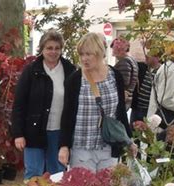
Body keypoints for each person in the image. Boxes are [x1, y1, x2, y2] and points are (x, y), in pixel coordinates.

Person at [58, 32, 137, 172]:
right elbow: (67, 115)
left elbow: (120, 112)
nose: (84, 59)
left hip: (108, 146)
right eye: (81, 54)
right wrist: (64, 146)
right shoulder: (74, 80)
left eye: (89, 54)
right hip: (82, 147)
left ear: (100, 53)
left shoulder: (115, 76)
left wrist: (129, 140)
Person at [11, 29, 76, 180]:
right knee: (34, 173)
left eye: (57, 48)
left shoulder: (70, 71)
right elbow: (19, 104)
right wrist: (18, 134)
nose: (53, 52)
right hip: (34, 130)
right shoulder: (31, 71)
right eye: (49, 48)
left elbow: (73, 105)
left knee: (58, 174)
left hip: (59, 132)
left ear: (61, 49)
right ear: (42, 49)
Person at [146, 52, 174, 130]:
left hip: (167, 121)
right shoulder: (171, 70)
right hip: (163, 123)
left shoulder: (172, 68)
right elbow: (166, 99)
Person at [111, 37, 139, 110]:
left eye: (113, 48)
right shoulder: (131, 60)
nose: (113, 51)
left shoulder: (124, 62)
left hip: (123, 98)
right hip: (128, 98)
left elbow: (123, 82)